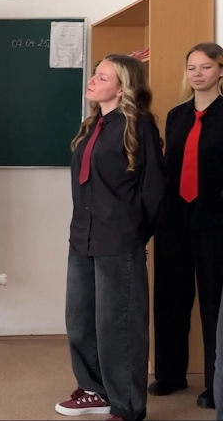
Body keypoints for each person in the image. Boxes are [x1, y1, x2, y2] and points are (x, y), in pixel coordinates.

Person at [54, 54, 165, 421]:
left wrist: (135, 233)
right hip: (82, 237)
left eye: (103, 77)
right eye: (95, 74)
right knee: (80, 320)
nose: (92, 80)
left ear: (121, 89)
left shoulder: (139, 127)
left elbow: (154, 189)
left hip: (119, 239)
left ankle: (127, 405)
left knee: (118, 325)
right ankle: (94, 390)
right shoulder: (91, 126)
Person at [150, 42, 223, 411]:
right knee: (170, 299)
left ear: (220, 71)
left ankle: (214, 384)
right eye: (192, 67)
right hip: (174, 222)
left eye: (206, 67)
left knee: (213, 304)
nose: (197, 74)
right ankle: (170, 374)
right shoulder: (177, 115)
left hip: (214, 222)